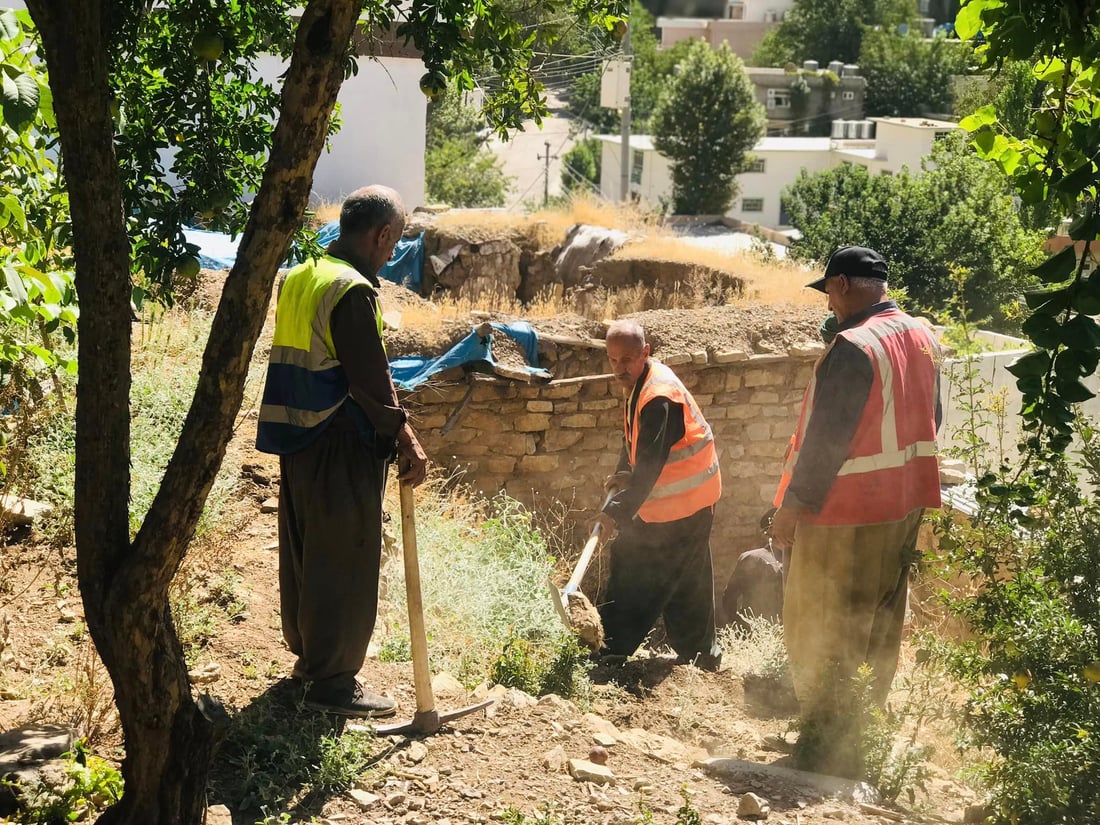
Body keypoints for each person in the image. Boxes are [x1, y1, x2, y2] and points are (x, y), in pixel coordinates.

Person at [256, 185, 428, 718]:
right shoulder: (352, 291)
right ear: (382, 234)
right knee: (345, 562)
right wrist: (407, 440)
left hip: (298, 437)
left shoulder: (302, 273)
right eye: (394, 243)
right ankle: (330, 683)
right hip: (339, 442)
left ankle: (311, 661)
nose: (392, 253)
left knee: (309, 554)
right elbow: (370, 382)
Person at [769, 245, 941, 773]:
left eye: (828, 292)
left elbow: (825, 442)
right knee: (880, 620)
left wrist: (790, 508)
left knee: (824, 621)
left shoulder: (853, 346)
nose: (828, 305)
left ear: (841, 284)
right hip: (905, 506)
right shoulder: (922, 335)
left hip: (844, 512)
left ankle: (823, 743)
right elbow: (933, 417)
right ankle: (865, 731)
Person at [592, 320, 723, 669]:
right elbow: (637, 440)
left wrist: (614, 513)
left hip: (681, 503)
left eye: (627, 359)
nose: (619, 368)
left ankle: (611, 649)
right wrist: (624, 470)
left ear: (645, 353)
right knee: (688, 580)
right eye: (613, 360)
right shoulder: (641, 382)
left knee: (634, 566)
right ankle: (702, 656)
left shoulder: (658, 398)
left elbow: (650, 466)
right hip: (693, 499)